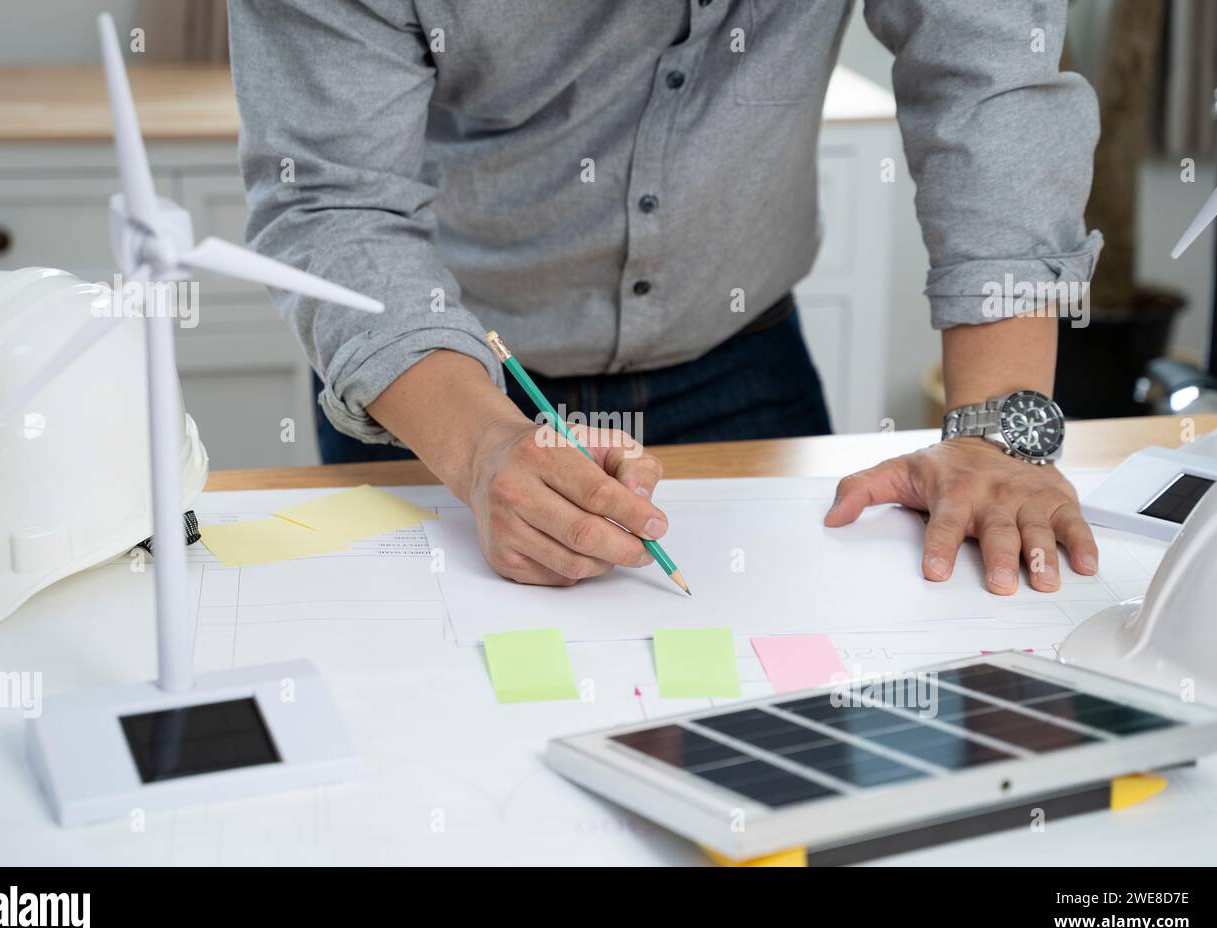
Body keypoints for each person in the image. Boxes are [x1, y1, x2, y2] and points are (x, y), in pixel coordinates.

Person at [230, 0, 1102, 594]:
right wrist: (480, 449)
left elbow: (993, 85)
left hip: (743, 365)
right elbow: (334, 201)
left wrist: (997, 431)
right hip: (440, 396)